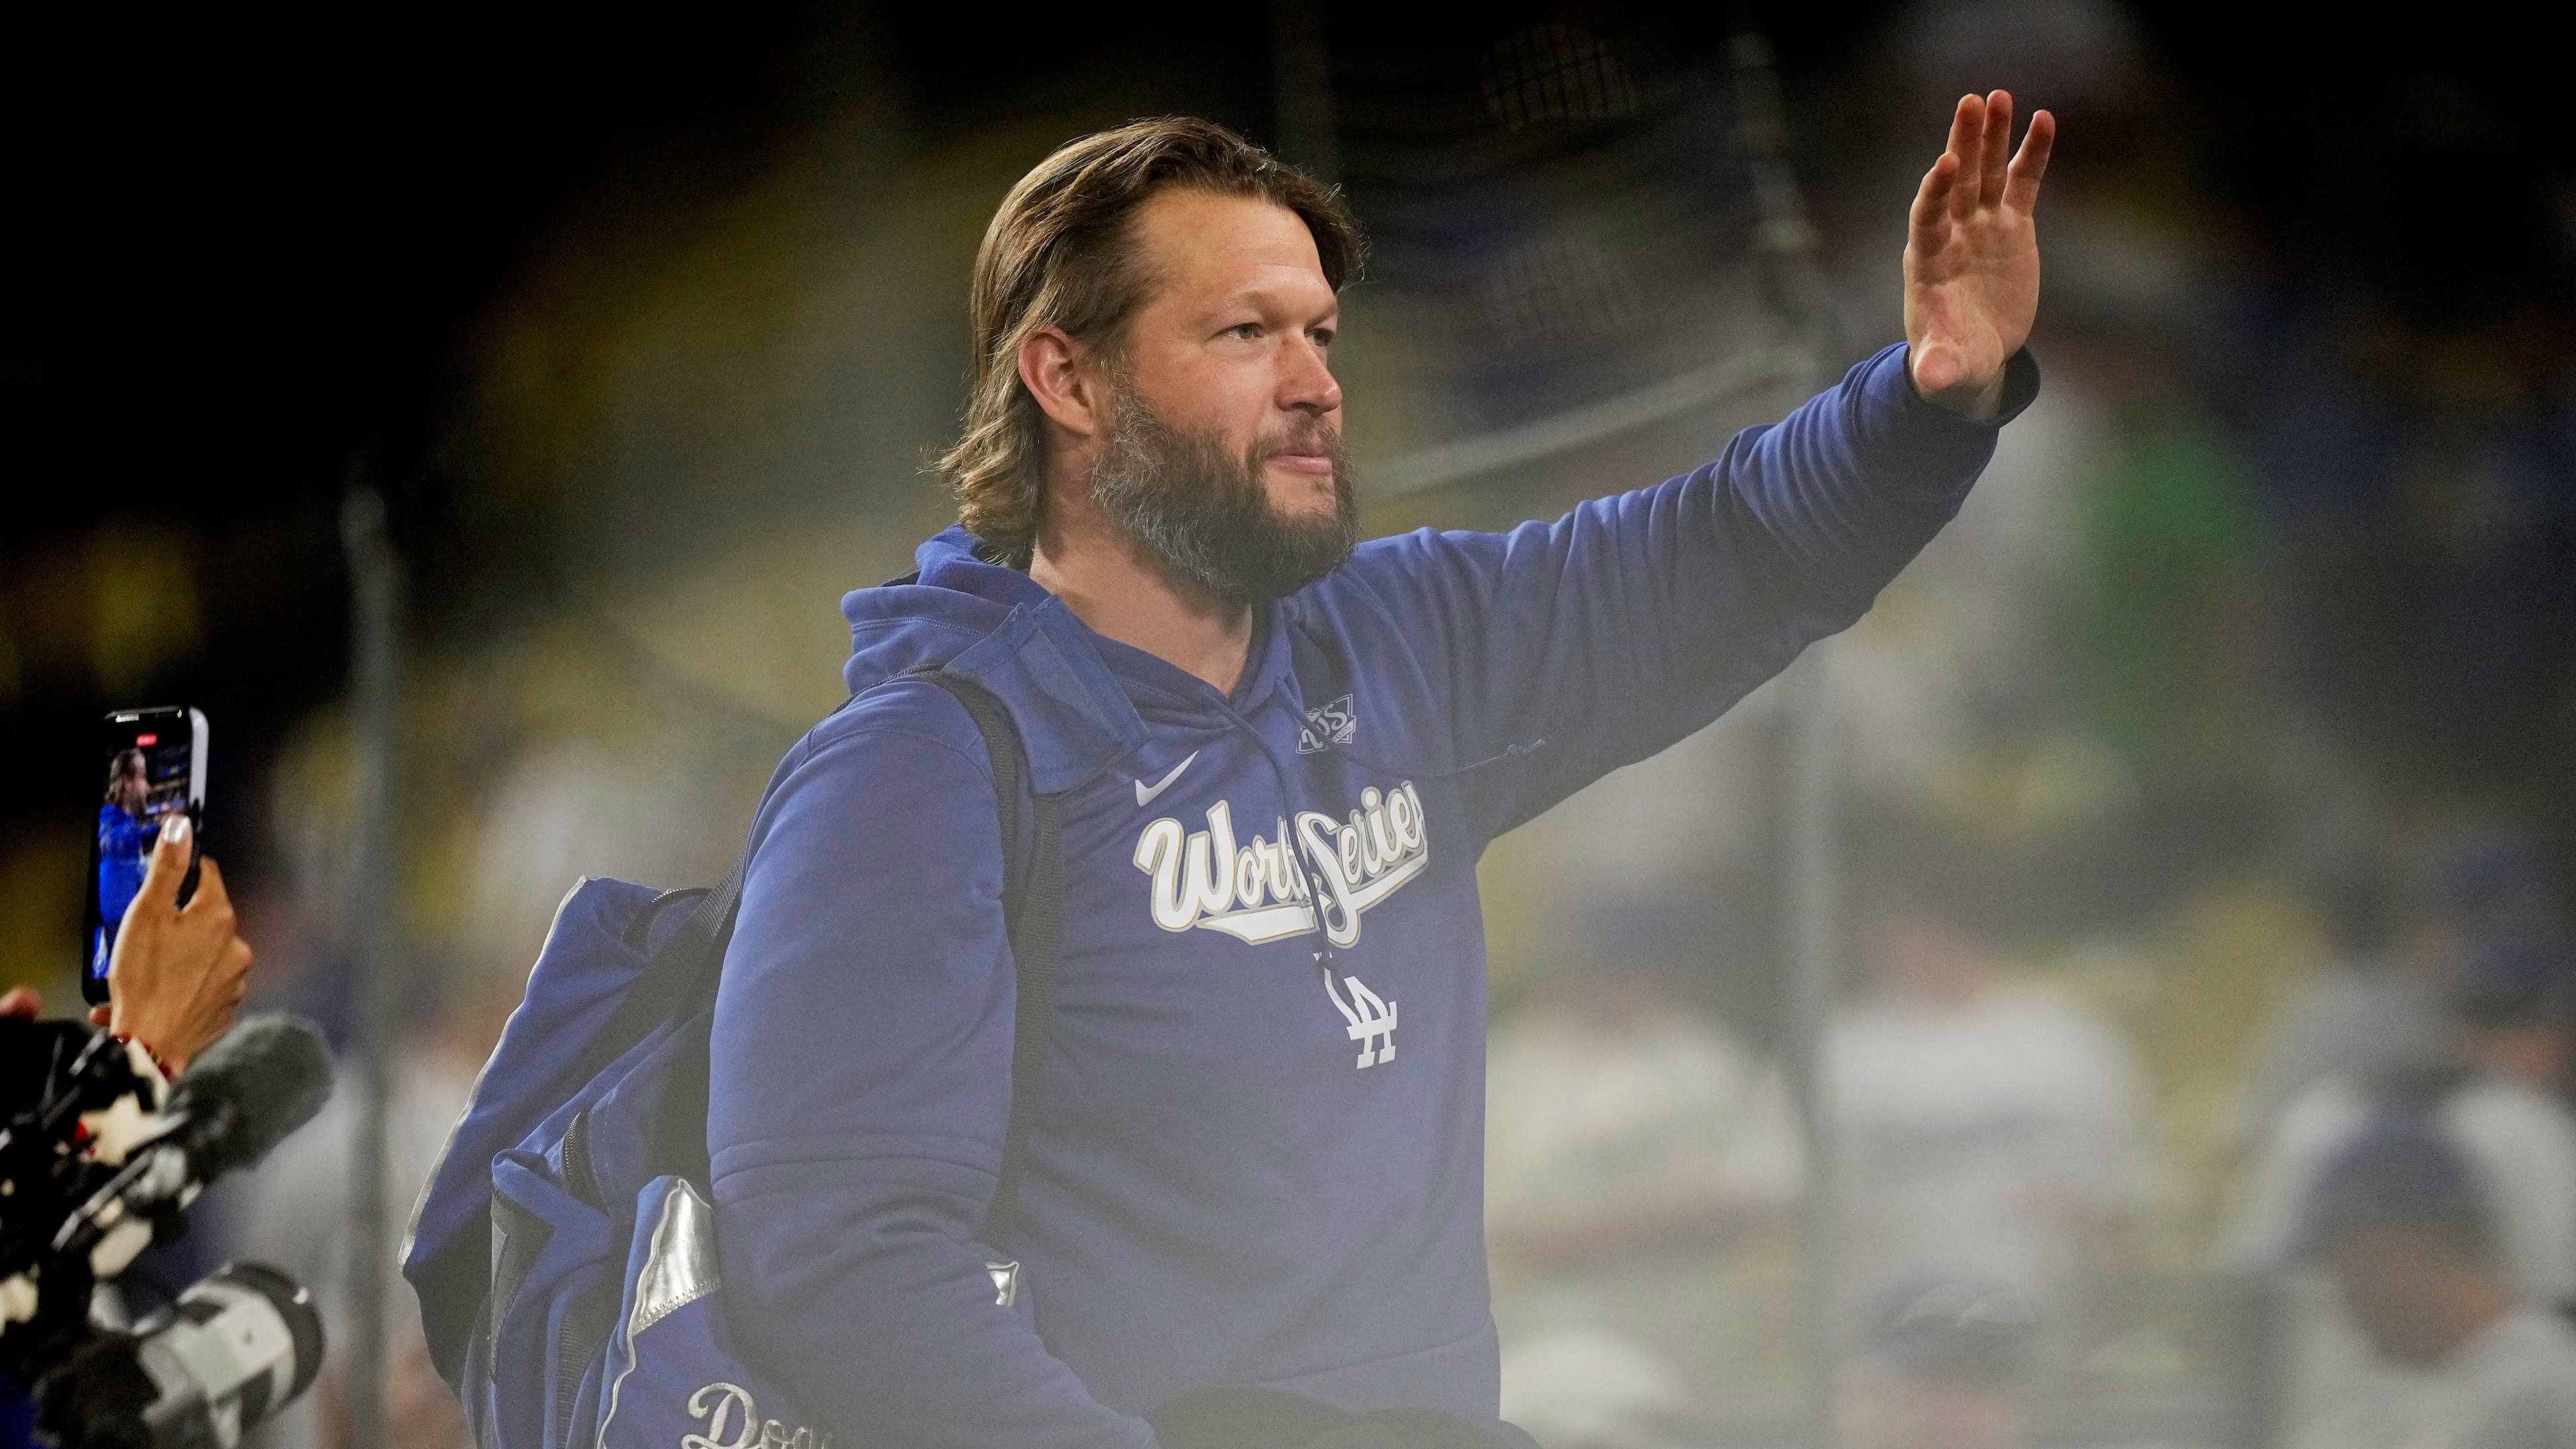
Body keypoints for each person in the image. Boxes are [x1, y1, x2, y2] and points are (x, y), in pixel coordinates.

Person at [710, 95, 2054, 1449]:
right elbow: (843, 1258)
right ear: (1068, 380)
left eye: (1322, 334)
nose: (1315, 385)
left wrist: (1929, 398)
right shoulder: (913, 770)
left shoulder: (1406, 647)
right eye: (1245, 334)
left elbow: (1719, 552)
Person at [2285, 1122, 2576, 1449]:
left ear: (2408, 1254)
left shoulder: (2535, 1389)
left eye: (2354, 1279)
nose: (2349, 1306)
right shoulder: (2413, 1388)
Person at [92, 748, 158, 981]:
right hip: (121, 926)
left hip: (131, 922)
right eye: (142, 778)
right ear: (127, 782)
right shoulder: (109, 824)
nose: (148, 788)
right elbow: (116, 844)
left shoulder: (124, 823)